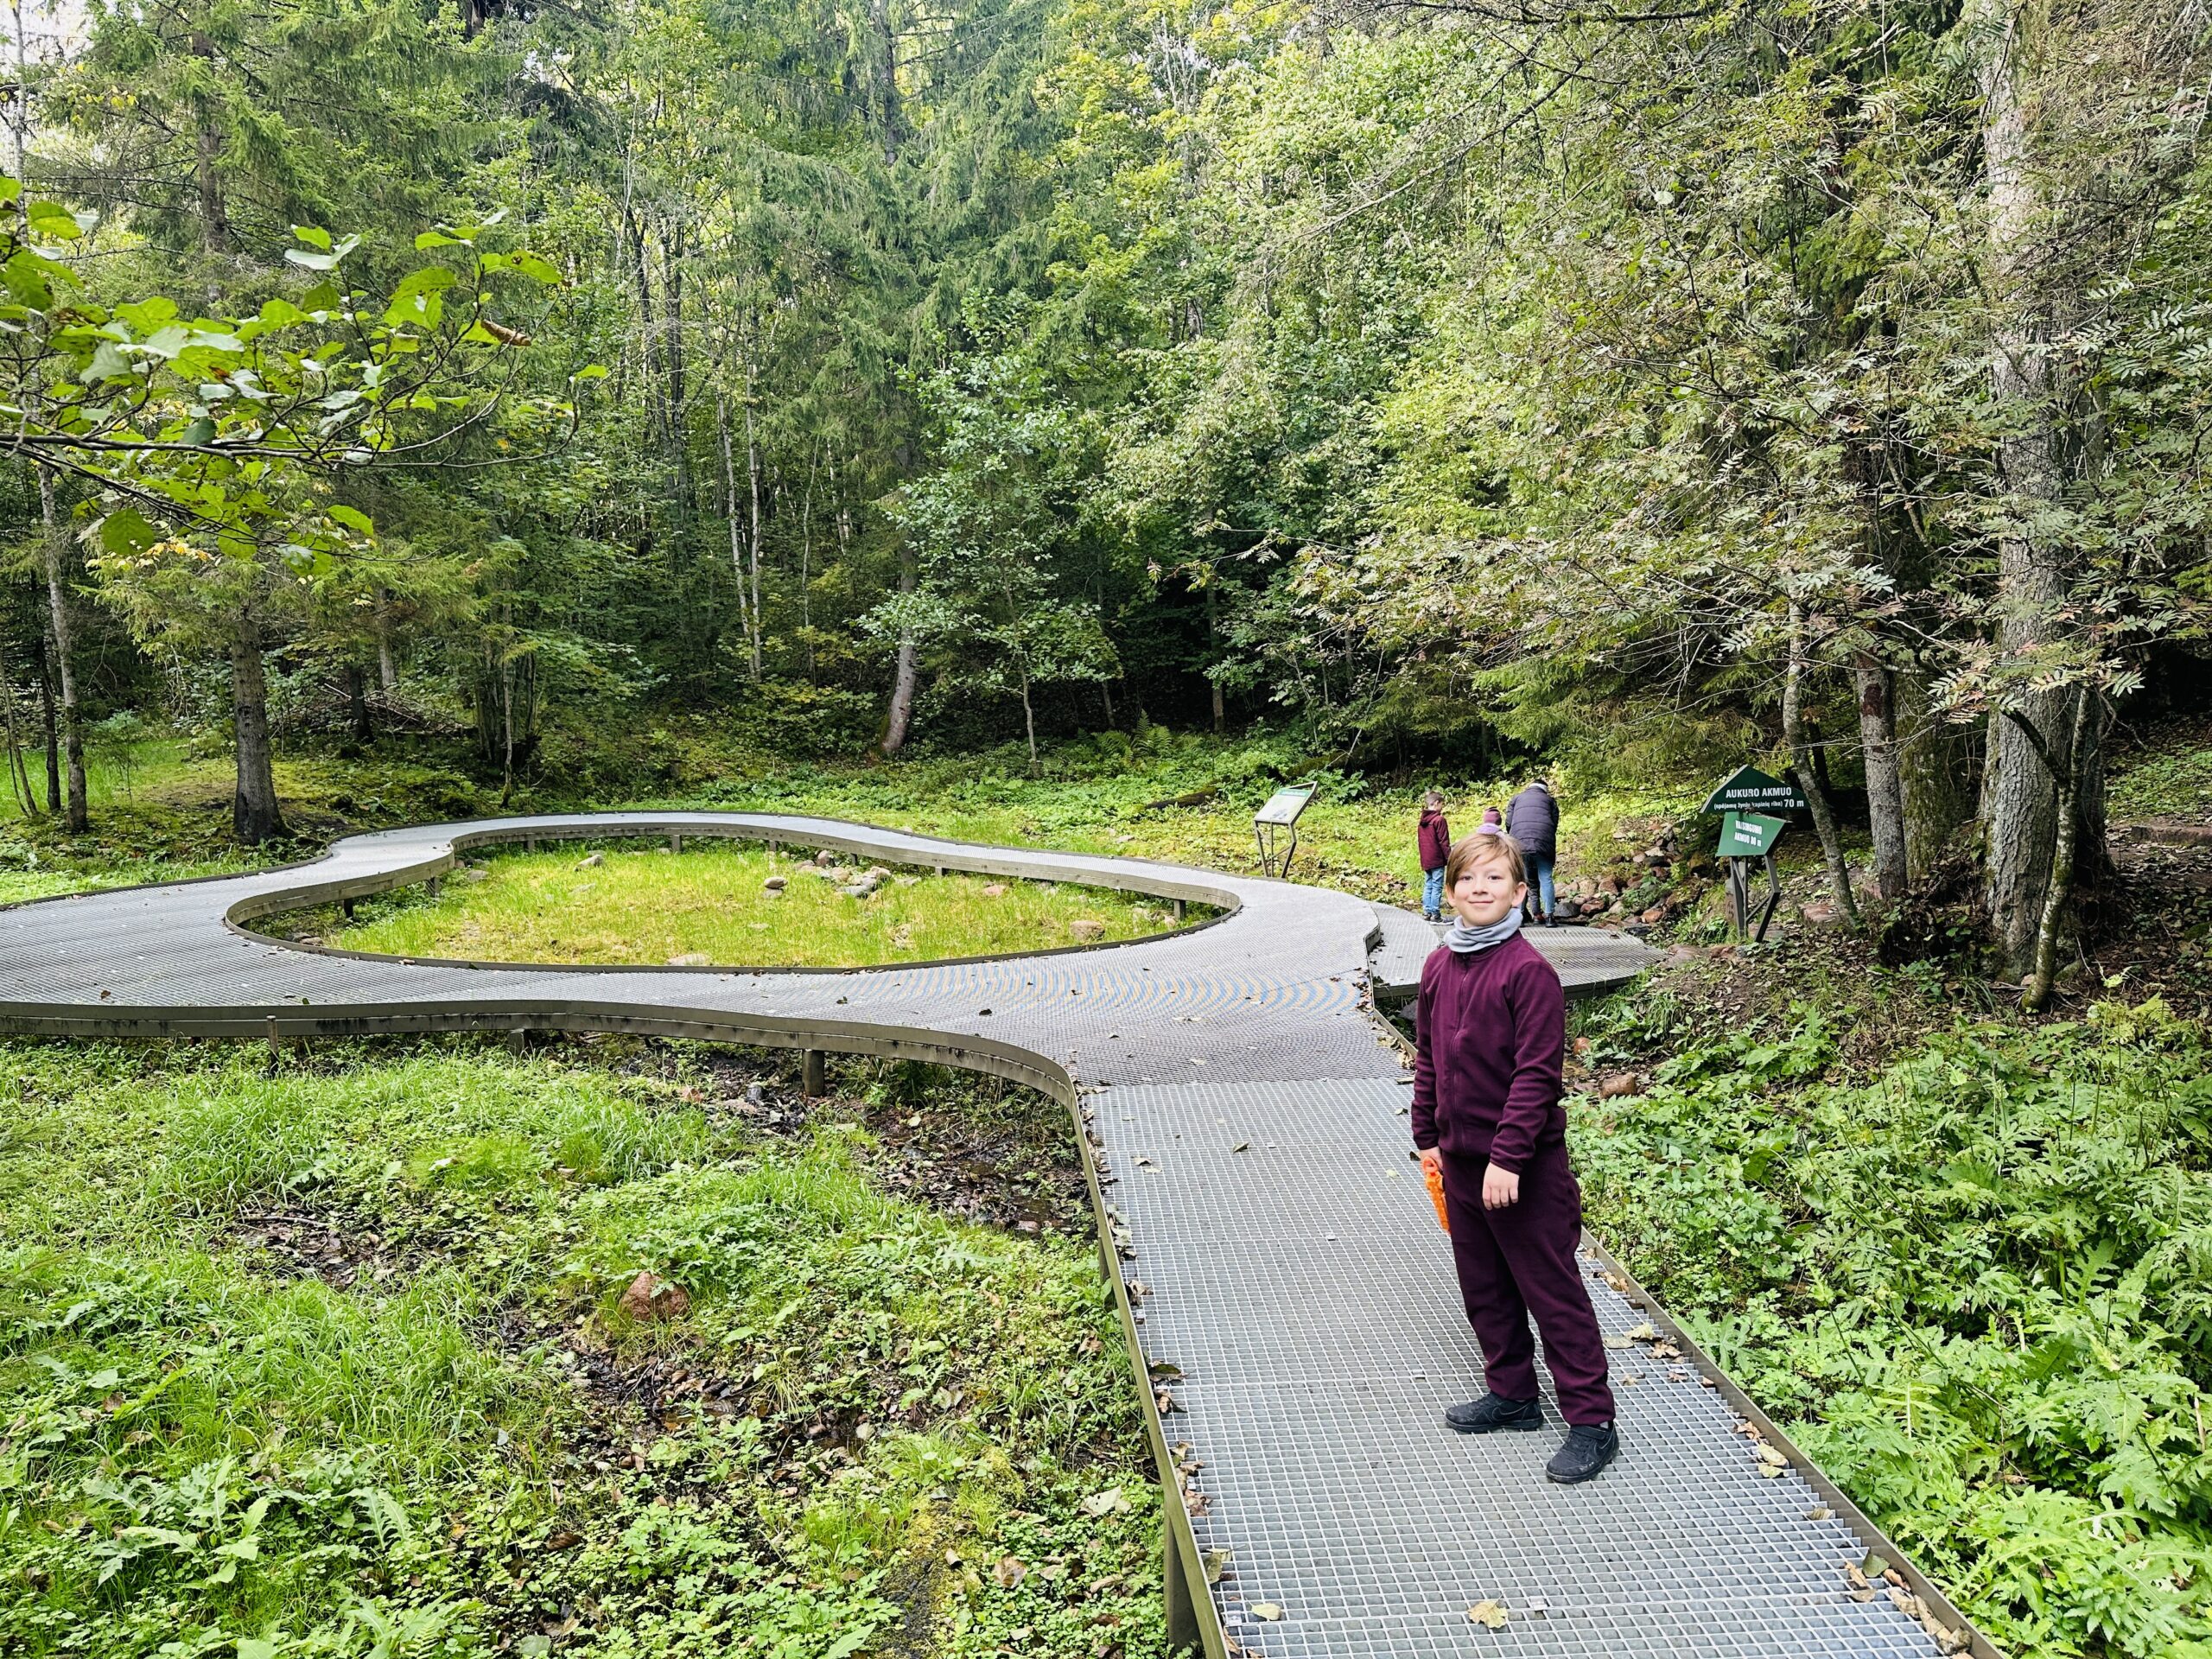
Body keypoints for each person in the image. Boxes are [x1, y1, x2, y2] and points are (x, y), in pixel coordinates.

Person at [1412, 831, 1618, 1484]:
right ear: (1450, 893)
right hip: (1460, 1159)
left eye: (1495, 878)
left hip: (1524, 1167)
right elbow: (1428, 1058)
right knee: (1485, 1287)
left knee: (1551, 1291)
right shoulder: (1439, 966)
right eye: (1468, 879)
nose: (1481, 889)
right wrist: (1427, 1134)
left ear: (1520, 893)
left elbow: (1536, 1077)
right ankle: (1513, 1395)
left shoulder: (1529, 973)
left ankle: (1592, 1421)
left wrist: (1508, 1158)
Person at [1506, 777, 1560, 925]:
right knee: (1546, 878)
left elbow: (1509, 822)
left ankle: (1519, 916)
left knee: (1521, 879)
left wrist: (1515, 836)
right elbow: (1554, 823)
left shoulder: (1516, 799)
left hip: (1520, 843)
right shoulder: (1550, 801)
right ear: (1545, 790)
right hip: (1543, 843)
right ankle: (1549, 917)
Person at [1416, 791, 1452, 921]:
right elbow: (1444, 841)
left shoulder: (1422, 821)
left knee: (1428, 885)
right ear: (1436, 803)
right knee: (1437, 886)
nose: (1442, 807)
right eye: (1442, 804)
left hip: (1426, 859)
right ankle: (1436, 915)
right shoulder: (1439, 820)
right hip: (1437, 859)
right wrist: (1449, 858)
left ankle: (1427, 912)